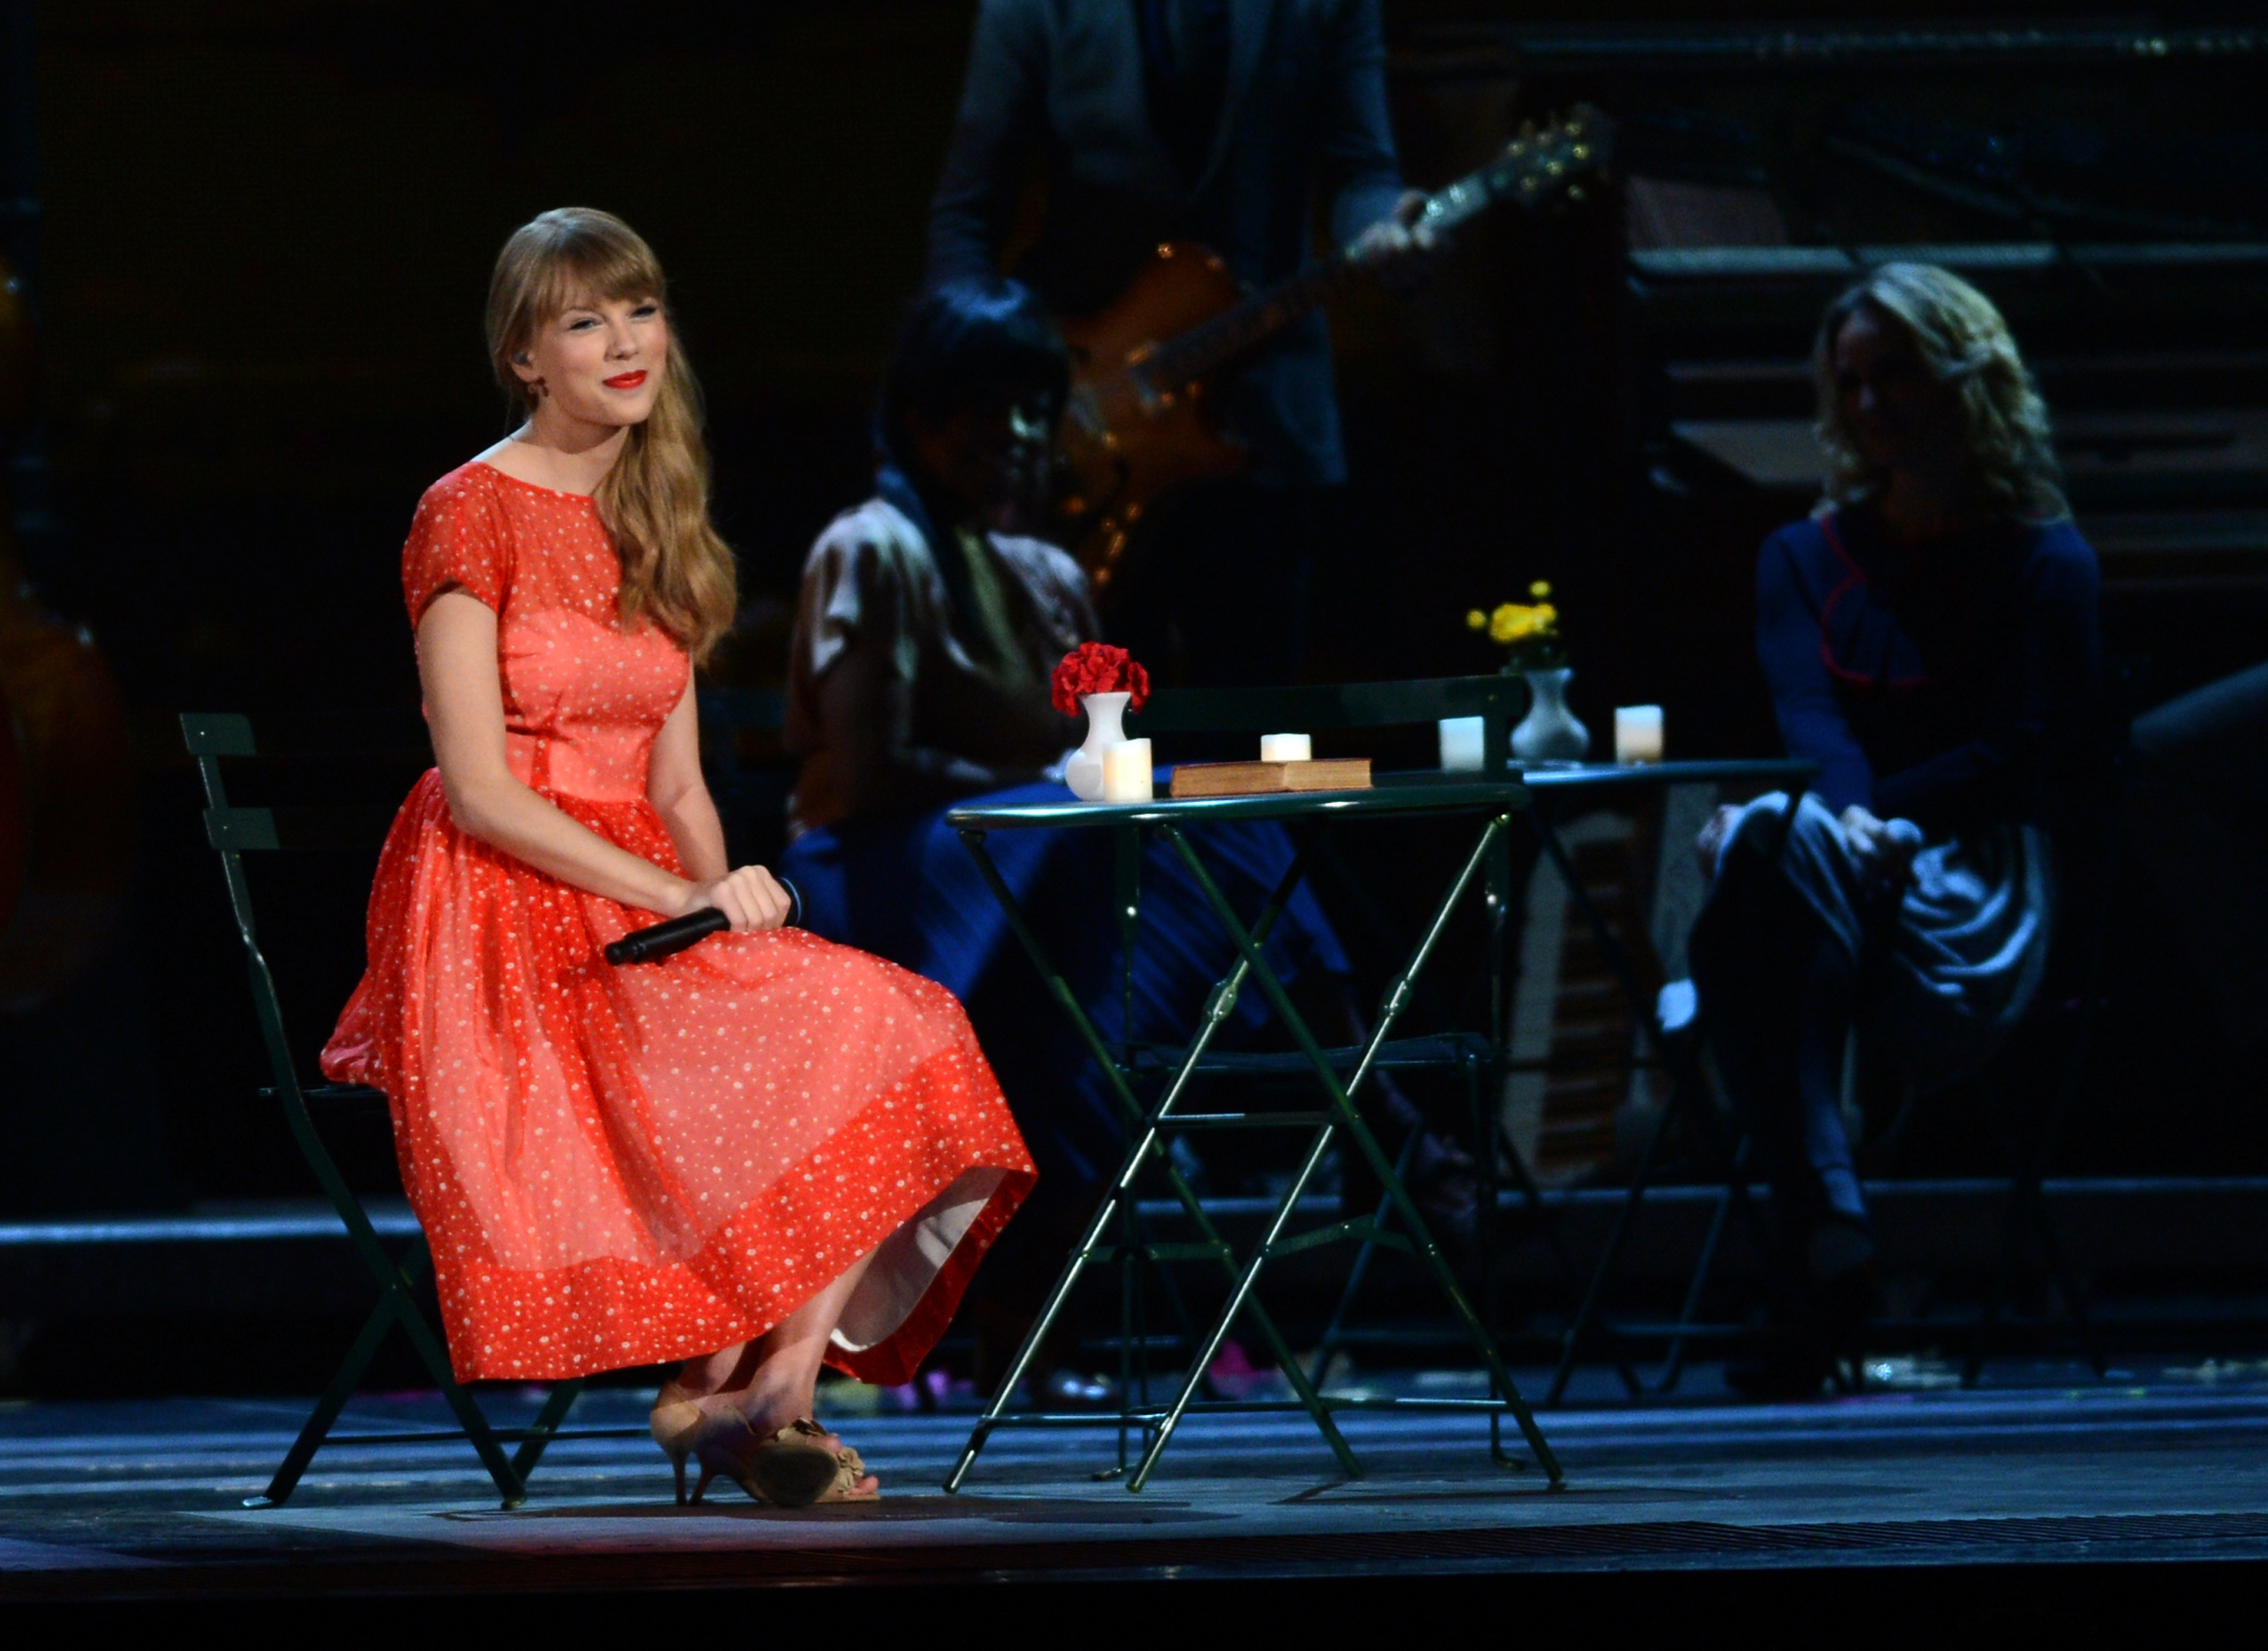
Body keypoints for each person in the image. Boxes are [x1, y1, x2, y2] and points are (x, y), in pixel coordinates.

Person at [319, 209, 1034, 1507]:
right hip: (504, 911)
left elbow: (681, 784)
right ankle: (727, 1395)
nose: (624, 342)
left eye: (639, 310)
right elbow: (479, 790)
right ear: (525, 357)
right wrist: (680, 893)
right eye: (584, 320)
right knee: (843, 1028)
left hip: (649, 901)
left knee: (890, 1020)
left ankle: (768, 1391)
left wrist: (740, 926)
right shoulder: (466, 512)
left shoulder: (658, 520)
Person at [780, 278, 1436, 1399]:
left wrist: (1079, 791)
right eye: (990, 408)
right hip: (886, 875)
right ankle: (1374, 1106)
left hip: (1034, 874)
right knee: (1093, 844)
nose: (1019, 435)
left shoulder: (1043, 573)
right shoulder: (874, 548)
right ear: (926, 417)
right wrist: (1053, 793)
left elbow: (1097, 750)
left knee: (1194, 818)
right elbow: (872, 772)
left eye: (1036, 411)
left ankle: (1354, 1093)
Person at [1688, 263, 2100, 1391]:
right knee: (1778, 840)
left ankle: (1814, 1249)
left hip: (1977, 887)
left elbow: (2024, 752)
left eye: (1897, 374)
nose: (1870, 404)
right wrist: (1850, 828)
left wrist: (1876, 826)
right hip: (1836, 859)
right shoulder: (1802, 558)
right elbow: (1811, 719)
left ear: (1965, 377)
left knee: (1760, 849)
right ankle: (1830, 1228)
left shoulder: (2048, 561)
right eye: (1852, 381)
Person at [925, 0, 1438, 685]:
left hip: (1257, 417)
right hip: (1086, 431)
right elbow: (967, 214)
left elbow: (1363, 171)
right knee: (1098, 728)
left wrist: (1385, 231)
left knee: (1254, 726)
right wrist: (978, 397)